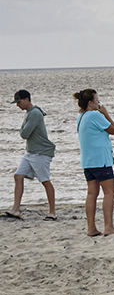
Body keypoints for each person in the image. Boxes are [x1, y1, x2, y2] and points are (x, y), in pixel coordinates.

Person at [74, 89, 114, 236]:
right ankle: (109, 227)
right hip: (100, 161)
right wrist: (105, 113)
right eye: (97, 100)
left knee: (92, 193)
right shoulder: (94, 115)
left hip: (89, 161)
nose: (99, 102)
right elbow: (113, 130)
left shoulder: (81, 117)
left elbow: (93, 138)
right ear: (90, 103)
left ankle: (91, 228)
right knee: (110, 192)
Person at [9, 90, 56, 220]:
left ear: (27, 100)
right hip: (30, 152)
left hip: (40, 152)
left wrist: (22, 129)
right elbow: (24, 132)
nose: (17, 105)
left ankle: (52, 213)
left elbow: (24, 134)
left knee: (45, 181)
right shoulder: (30, 113)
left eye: (19, 102)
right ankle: (15, 210)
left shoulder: (35, 113)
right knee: (18, 176)